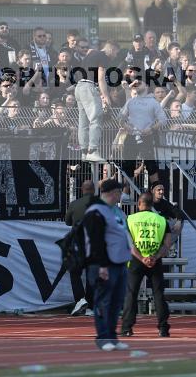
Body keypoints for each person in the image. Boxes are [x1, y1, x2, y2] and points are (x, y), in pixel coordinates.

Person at [82, 179, 132, 351]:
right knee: (104, 302)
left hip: (119, 263)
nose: (121, 195)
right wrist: (101, 265)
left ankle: (112, 336)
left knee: (116, 303)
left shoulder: (116, 211)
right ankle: (103, 338)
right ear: (112, 192)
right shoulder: (96, 212)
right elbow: (95, 241)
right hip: (104, 264)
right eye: (119, 192)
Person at [121, 192, 172, 338]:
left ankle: (126, 328)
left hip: (137, 259)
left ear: (139, 204)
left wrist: (142, 258)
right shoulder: (162, 220)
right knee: (158, 294)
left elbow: (130, 244)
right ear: (152, 205)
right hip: (155, 259)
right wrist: (154, 257)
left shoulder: (130, 219)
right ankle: (163, 328)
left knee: (131, 293)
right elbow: (167, 245)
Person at [75, 45, 112, 163]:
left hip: (79, 87)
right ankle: (93, 151)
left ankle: (84, 152)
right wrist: (106, 97)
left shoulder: (92, 53)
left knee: (83, 122)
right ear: (112, 49)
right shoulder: (103, 55)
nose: (115, 56)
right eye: (115, 53)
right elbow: (101, 78)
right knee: (96, 118)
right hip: (89, 87)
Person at [65, 180, 97, 316]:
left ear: (82, 190)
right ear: (94, 190)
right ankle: (90, 304)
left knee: (74, 273)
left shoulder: (74, 204)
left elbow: (67, 222)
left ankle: (80, 299)